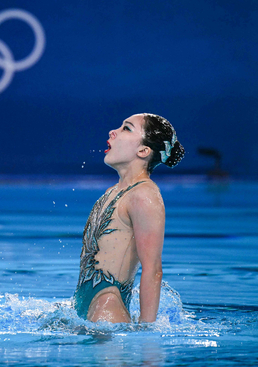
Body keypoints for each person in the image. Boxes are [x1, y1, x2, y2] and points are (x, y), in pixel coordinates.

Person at [73, 113, 184, 323]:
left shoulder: (144, 196)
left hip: (108, 310)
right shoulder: (113, 191)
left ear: (143, 151)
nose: (112, 132)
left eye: (126, 128)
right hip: (88, 306)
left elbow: (153, 269)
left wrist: (147, 338)